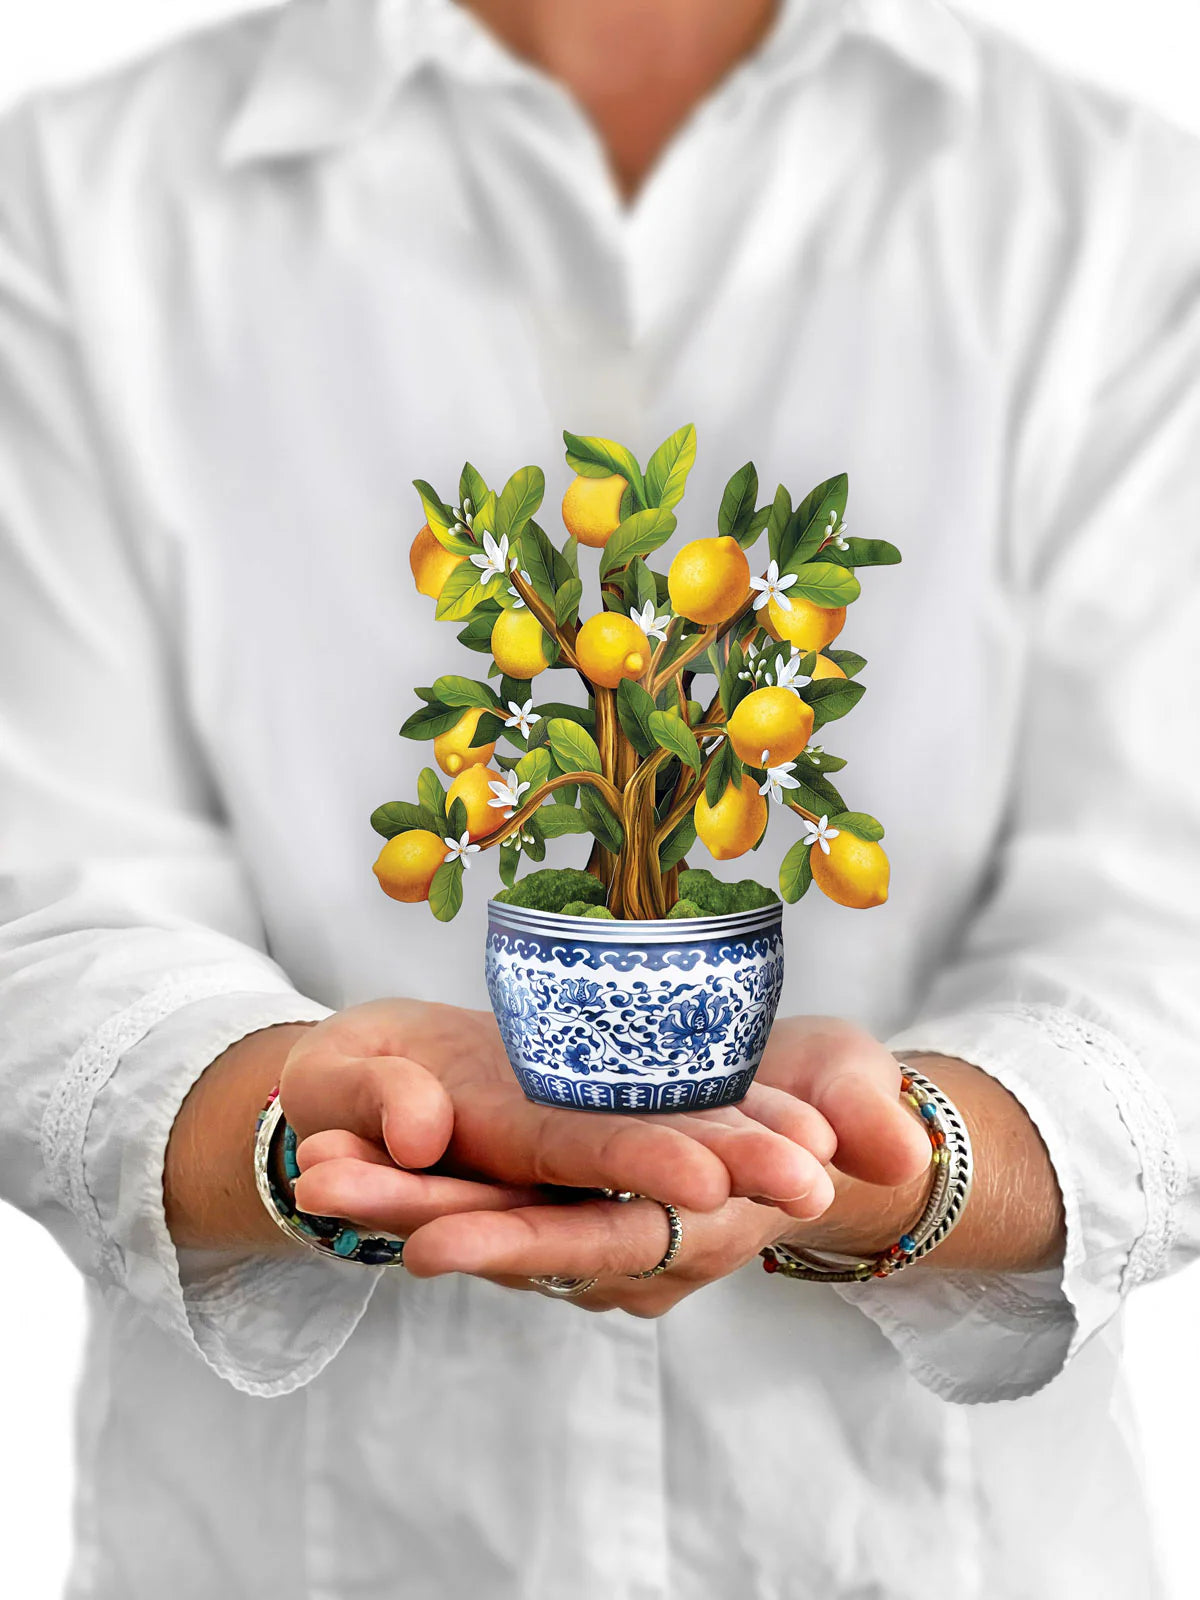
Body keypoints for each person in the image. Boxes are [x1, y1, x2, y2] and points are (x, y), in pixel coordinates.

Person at [1, 0, 1198, 1594]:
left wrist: (921, 1168)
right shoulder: (85, 205)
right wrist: (295, 1130)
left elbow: (1168, 917)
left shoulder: (1111, 213)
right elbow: (47, 901)